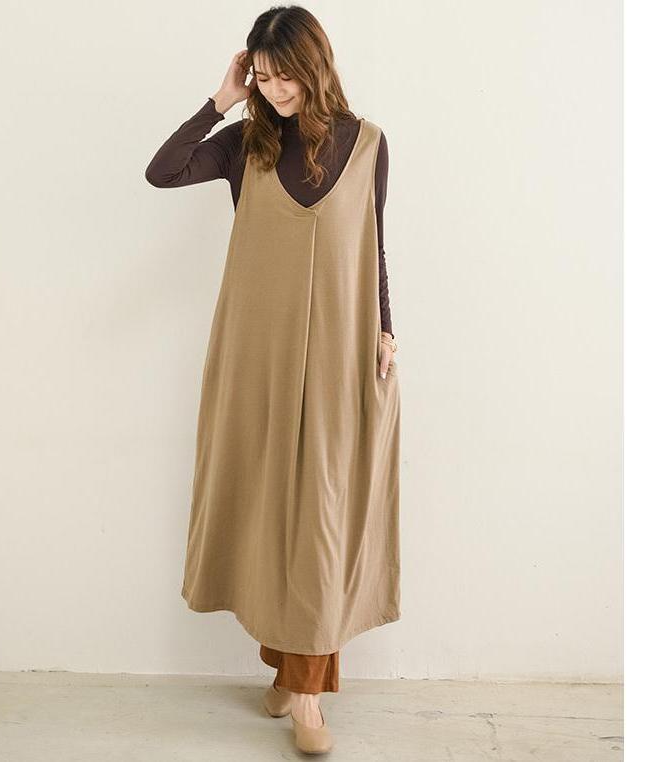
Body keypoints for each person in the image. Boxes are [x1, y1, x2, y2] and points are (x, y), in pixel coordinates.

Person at [145, 6, 401, 755]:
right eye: (261, 75)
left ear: (315, 66)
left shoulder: (368, 143)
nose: (275, 88)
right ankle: (290, 673)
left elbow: (375, 245)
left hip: (342, 354)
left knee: (321, 516)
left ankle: (306, 694)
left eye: (285, 74)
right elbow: (162, 170)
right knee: (267, 511)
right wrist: (222, 100)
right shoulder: (244, 144)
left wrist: (386, 328)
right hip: (257, 354)